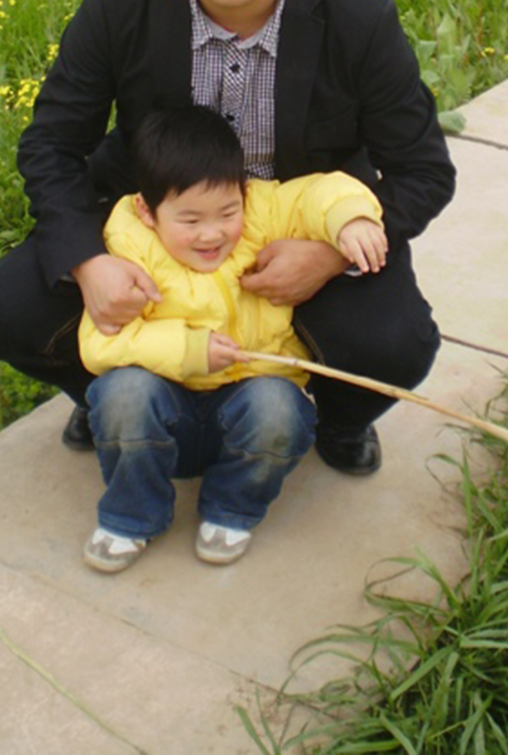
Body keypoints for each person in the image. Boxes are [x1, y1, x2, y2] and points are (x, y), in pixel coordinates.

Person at [0, 0, 455, 476]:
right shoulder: (118, 3)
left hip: (295, 227)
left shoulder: (359, 20)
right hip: (159, 225)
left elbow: (423, 172)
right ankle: (108, 392)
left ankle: (337, 420)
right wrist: (88, 262)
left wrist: (326, 255)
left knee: (395, 346)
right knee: (4, 311)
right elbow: (51, 145)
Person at [81, 105, 388, 572]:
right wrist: (187, 350)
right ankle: (133, 514)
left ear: (243, 191)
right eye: (190, 221)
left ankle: (231, 507)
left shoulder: (261, 210)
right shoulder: (127, 244)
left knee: (281, 407)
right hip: (165, 412)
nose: (212, 234)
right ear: (147, 211)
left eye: (228, 212)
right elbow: (99, 344)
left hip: (249, 408)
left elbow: (319, 192)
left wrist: (350, 218)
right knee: (121, 393)